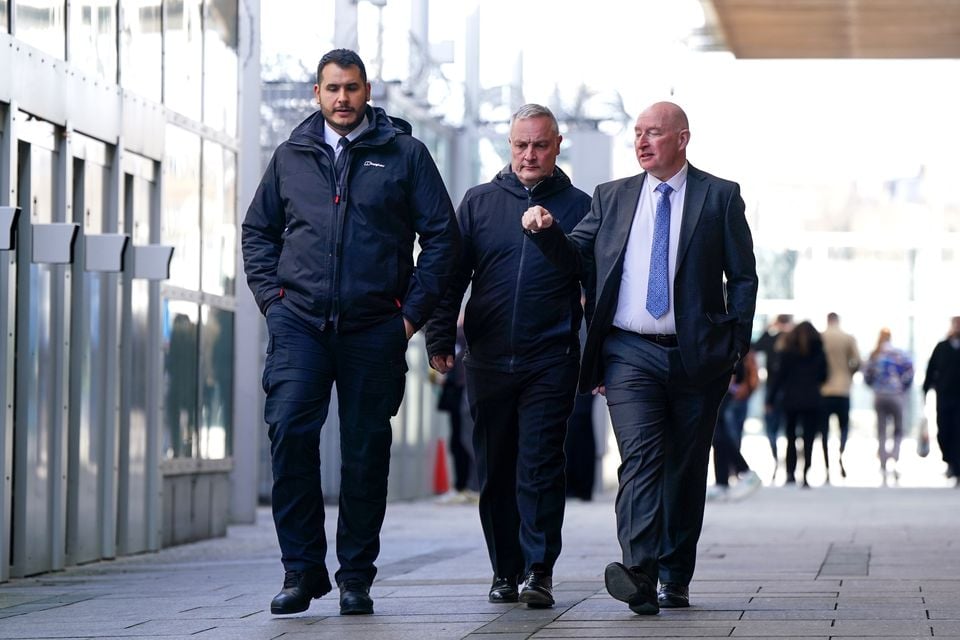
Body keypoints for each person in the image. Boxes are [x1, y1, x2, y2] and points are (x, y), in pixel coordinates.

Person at [242, 49, 460, 617]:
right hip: (300, 324)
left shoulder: (406, 154)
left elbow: (443, 240)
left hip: (373, 328)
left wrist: (408, 317)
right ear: (317, 93)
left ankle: (356, 577)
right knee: (289, 432)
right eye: (333, 88)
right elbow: (257, 233)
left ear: (368, 91)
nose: (343, 98)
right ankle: (301, 570)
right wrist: (274, 302)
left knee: (365, 454)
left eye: (353, 88)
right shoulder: (290, 156)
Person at [521, 101, 758, 614]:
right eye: (637, 133)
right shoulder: (612, 197)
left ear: (682, 138)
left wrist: (734, 344)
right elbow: (575, 258)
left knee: (687, 467)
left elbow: (742, 278)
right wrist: (546, 233)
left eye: (654, 132)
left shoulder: (719, 197)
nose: (643, 141)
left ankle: (675, 574)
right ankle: (639, 572)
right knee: (643, 458)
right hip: (628, 352)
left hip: (698, 356)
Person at [425, 104, 590, 609]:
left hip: (550, 357)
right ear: (509, 145)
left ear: (557, 145)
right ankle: (504, 570)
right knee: (495, 468)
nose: (530, 155)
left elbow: (593, 281)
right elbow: (452, 275)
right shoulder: (478, 203)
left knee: (540, 464)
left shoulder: (582, 206)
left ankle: (539, 570)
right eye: (521, 145)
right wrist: (437, 338)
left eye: (540, 145)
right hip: (489, 358)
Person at [768, 321, 827, 487]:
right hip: (812, 399)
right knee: (808, 439)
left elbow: (778, 378)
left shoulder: (787, 352)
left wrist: (770, 400)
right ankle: (805, 474)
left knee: (790, 437)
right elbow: (824, 376)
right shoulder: (819, 352)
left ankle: (790, 473)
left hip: (791, 399)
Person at [708, 349, 761, 501]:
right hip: (723, 387)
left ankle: (744, 470)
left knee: (717, 434)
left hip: (723, 387)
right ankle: (722, 483)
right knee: (718, 434)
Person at [864, 327, 914, 484]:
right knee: (898, 429)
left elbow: (867, 374)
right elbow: (910, 370)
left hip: (880, 395)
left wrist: (875, 386)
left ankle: (884, 462)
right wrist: (903, 386)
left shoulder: (875, 355)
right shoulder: (899, 354)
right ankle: (895, 457)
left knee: (881, 429)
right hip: (896, 395)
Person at [752, 314, 794, 480]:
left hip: (777, 390)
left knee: (776, 428)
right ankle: (783, 464)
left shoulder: (789, 340)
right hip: (783, 390)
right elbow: (756, 346)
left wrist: (769, 328)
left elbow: (756, 345)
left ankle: (780, 461)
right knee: (783, 429)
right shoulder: (788, 340)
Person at [820, 312, 861, 479]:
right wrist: (849, 373)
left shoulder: (821, 337)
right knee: (843, 428)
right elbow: (857, 361)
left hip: (824, 389)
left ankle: (827, 467)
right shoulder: (848, 338)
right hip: (843, 388)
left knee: (824, 431)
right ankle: (841, 455)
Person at [923, 316, 960, 485]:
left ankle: (957, 467)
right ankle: (950, 461)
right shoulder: (942, 347)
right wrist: (926, 389)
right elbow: (931, 369)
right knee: (944, 430)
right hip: (944, 396)